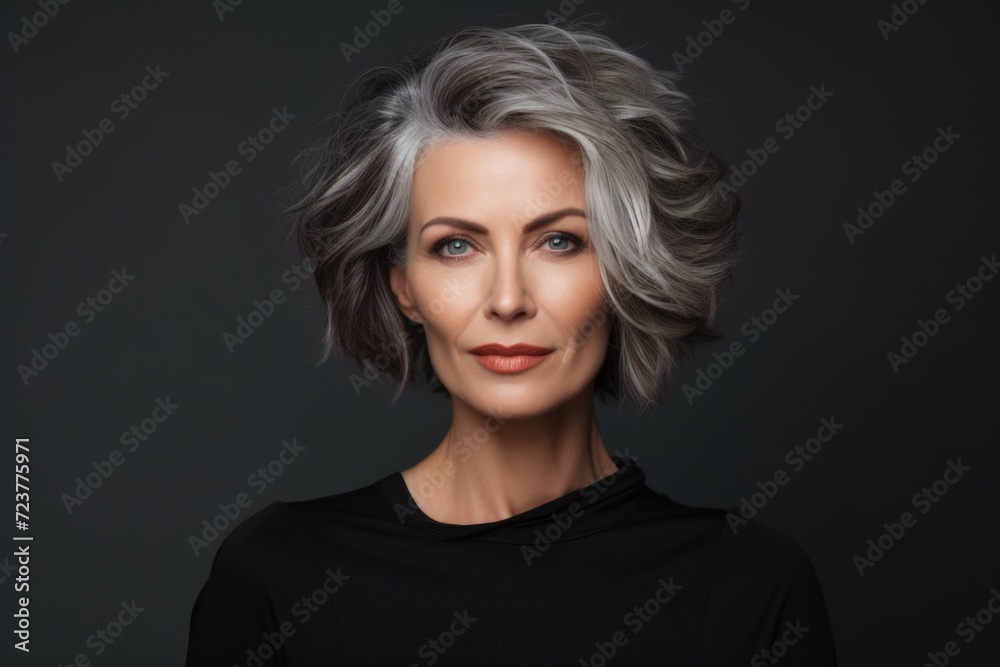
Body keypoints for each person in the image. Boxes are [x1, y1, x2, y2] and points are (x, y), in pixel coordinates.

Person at [185, 21, 837, 665]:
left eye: (560, 241)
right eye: (456, 246)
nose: (507, 298)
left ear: (623, 274)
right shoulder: (283, 575)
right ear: (405, 287)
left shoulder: (749, 584)